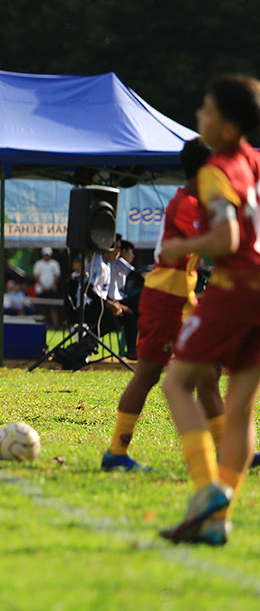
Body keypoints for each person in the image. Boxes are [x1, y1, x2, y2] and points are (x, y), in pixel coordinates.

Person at [157, 74, 260, 546]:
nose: (199, 115)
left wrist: (181, 247)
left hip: (235, 289)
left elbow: (226, 238)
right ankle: (218, 521)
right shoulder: (254, 161)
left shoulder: (216, 170)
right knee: (240, 410)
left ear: (227, 126)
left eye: (207, 110)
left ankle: (206, 489)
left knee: (176, 383)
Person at [101, 139, 224, 473]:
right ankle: (116, 453)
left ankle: (225, 449)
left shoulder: (196, 202)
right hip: (165, 300)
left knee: (209, 372)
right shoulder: (186, 204)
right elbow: (217, 241)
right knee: (148, 374)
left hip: (183, 298)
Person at [109, 238, 139, 358]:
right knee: (139, 302)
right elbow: (137, 276)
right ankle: (132, 349)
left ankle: (132, 349)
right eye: (117, 248)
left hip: (116, 301)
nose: (133, 256)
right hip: (112, 302)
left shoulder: (111, 263)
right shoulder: (117, 262)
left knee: (134, 312)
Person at [33, 247, 61, 327]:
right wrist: (43, 287)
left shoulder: (54, 263)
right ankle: (45, 324)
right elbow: (36, 276)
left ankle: (55, 325)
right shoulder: (38, 264)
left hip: (52, 290)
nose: (46, 256)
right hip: (41, 290)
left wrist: (50, 286)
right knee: (42, 308)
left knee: (53, 307)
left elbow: (57, 275)